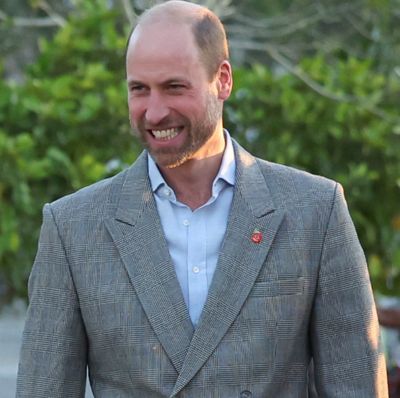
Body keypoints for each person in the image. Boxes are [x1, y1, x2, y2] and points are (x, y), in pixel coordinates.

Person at [16, 1, 388, 397]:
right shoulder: (72, 227)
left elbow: (357, 387)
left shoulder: (316, 211)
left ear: (223, 80)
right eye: (139, 89)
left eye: (175, 87)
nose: (155, 112)